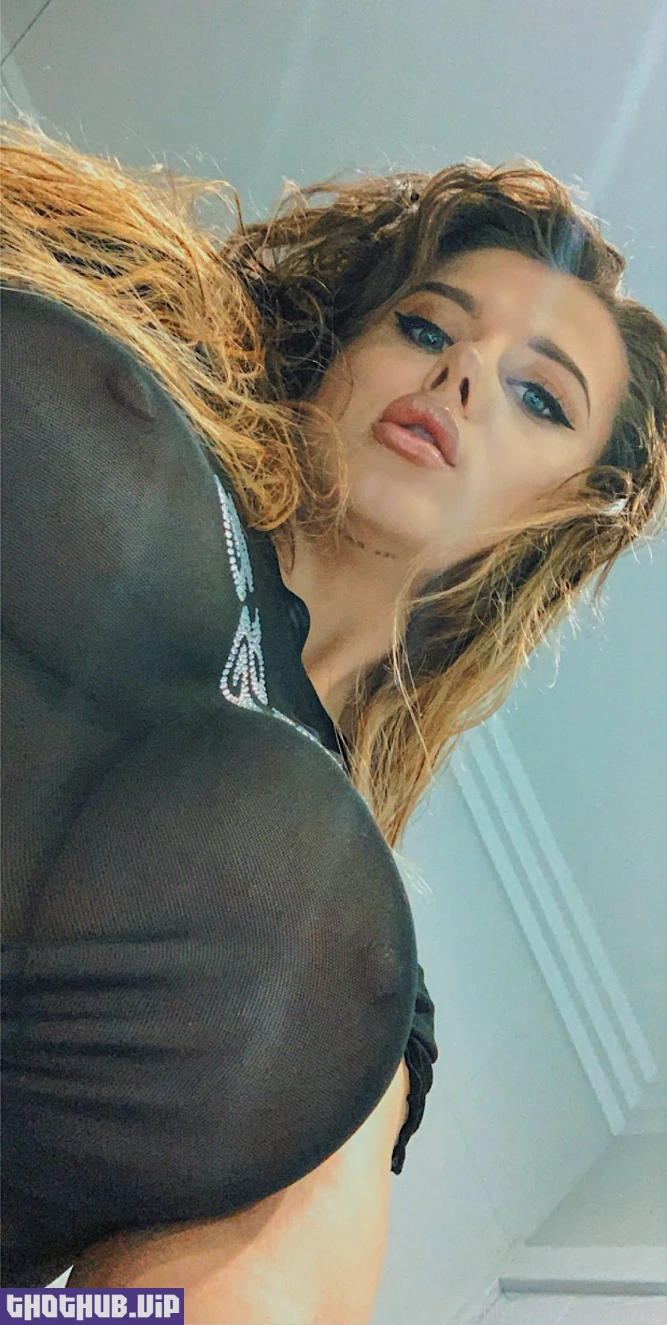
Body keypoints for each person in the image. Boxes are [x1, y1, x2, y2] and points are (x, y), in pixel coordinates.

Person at [1, 118, 665, 1324]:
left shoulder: (357, 974)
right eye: (427, 328)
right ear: (345, 346)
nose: (461, 378)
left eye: (535, 395)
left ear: (564, 512)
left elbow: (202, 1307)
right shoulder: (140, 368)